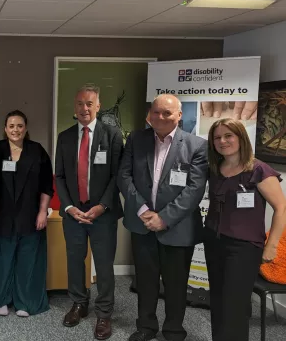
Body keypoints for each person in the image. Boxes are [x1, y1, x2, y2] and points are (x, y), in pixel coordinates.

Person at [118, 94, 208, 341]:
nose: (160, 117)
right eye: (156, 112)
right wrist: (143, 211)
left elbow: (194, 190)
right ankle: (146, 327)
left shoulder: (196, 145)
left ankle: (173, 330)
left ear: (179, 115)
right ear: (150, 113)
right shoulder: (137, 139)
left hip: (178, 228)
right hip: (142, 223)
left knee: (176, 284)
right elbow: (124, 177)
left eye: (167, 113)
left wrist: (164, 218)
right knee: (146, 281)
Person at [204, 118, 286, 341]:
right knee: (218, 301)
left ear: (241, 137)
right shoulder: (216, 168)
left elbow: (281, 208)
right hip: (214, 242)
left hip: (244, 247)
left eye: (228, 135)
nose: (222, 141)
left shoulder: (258, 169)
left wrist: (272, 246)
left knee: (235, 306)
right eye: (217, 137)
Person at [55, 85, 124, 340]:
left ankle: (104, 313)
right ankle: (79, 304)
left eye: (89, 104)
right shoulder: (64, 137)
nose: (84, 108)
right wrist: (70, 207)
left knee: (104, 265)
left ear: (98, 105)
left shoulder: (113, 135)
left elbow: (118, 175)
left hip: (102, 214)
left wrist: (102, 206)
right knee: (75, 260)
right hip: (73, 214)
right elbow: (59, 176)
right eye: (80, 104)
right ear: (75, 107)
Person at [0, 110, 53, 318]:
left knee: (28, 259)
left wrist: (43, 212)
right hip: (2, 215)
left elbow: (46, 185)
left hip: (30, 214)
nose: (16, 130)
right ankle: (1, 299)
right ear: (5, 129)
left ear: (26, 129)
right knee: (2, 259)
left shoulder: (37, 151)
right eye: (11, 126)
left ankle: (26, 301)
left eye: (20, 126)